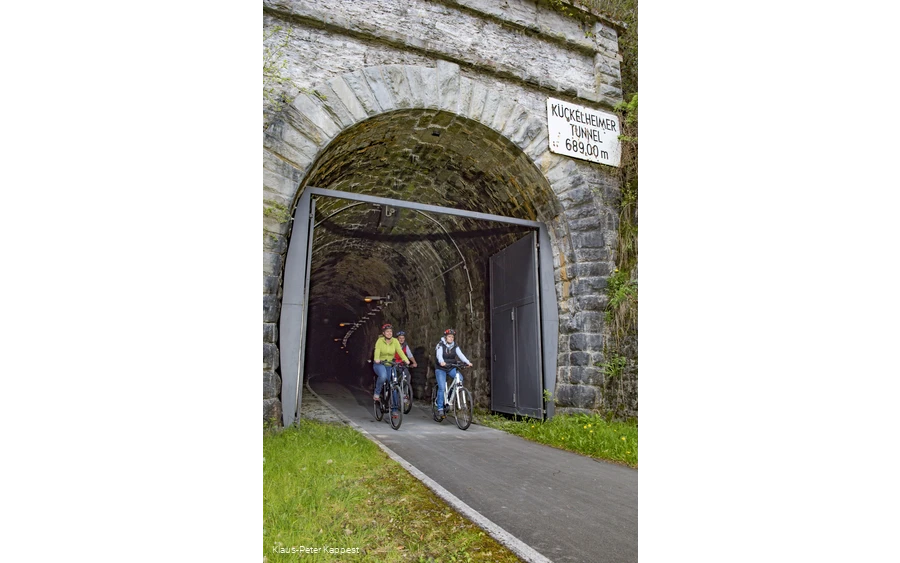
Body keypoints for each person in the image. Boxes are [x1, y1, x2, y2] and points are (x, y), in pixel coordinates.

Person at [434, 328, 472, 418]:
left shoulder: (455, 346)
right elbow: (439, 355)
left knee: (460, 379)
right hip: (441, 368)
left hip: (451, 367)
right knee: (442, 387)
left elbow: (461, 355)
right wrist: (441, 362)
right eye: (449, 337)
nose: (451, 338)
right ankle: (440, 408)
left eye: (452, 337)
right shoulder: (440, 345)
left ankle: (449, 397)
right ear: (445, 337)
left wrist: (467, 362)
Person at [372, 324, 410, 415]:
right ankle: (377, 393)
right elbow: (377, 350)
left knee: (394, 385)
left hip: (390, 364)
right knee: (383, 376)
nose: (389, 333)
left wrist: (406, 360)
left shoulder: (395, 341)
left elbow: (399, 351)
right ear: (383, 333)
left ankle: (394, 409)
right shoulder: (380, 341)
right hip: (380, 364)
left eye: (390, 332)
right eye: (387, 331)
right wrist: (377, 358)